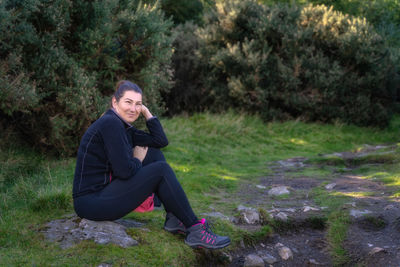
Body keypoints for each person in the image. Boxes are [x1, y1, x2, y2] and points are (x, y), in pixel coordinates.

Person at [72, 80, 230, 249]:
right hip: (91, 203)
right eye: (128, 102)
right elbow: (124, 172)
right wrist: (138, 159)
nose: (133, 109)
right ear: (114, 102)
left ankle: (174, 219)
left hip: (102, 194)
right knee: (161, 170)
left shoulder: (122, 126)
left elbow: (160, 141)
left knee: (154, 155)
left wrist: (146, 112)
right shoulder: (111, 124)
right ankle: (195, 229)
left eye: (138, 104)